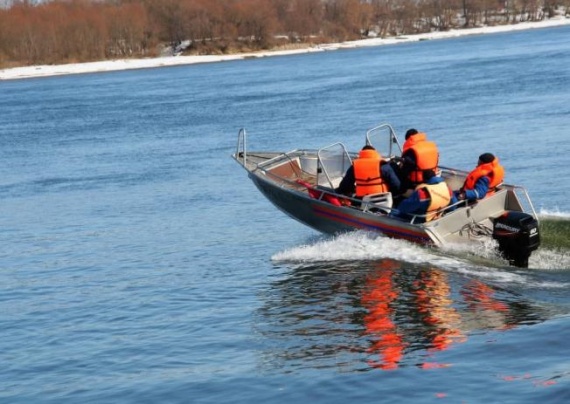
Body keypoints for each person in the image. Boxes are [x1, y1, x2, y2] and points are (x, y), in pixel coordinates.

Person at [391, 169, 457, 223]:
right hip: (438, 215)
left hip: (421, 219)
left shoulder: (423, 193)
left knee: (393, 212)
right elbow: (453, 206)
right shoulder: (447, 188)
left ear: (424, 180)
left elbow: (403, 208)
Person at [336, 145, 401, 197]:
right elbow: (396, 185)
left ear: (361, 153)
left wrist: (353, 190)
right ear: (375, 153)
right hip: (384, 199)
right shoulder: (383, 165)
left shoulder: (355, 166)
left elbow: (344, 185)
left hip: (362, 200)